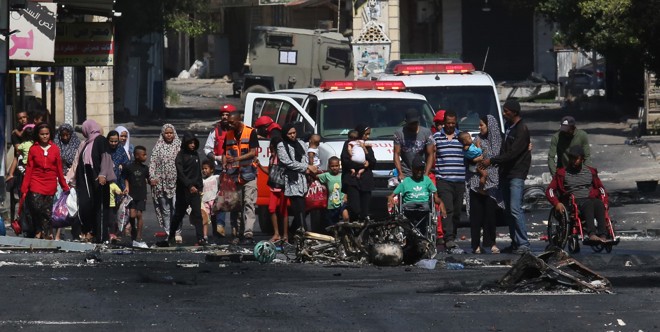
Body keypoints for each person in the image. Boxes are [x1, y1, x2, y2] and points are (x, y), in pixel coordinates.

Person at [482, 100, 532, 254]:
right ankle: (515, 242)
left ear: (514, 112)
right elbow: (505, 150)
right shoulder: (510, 128)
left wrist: (492, 161)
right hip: (506, 173)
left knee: (516, 209)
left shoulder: (522, 129)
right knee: (508, 211)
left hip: (516, 174)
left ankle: (523, 243)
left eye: (506, 111)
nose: (504, 114)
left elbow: (512, 154)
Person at [546, 145, 609, 242]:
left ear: (582, 159)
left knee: (599, 204)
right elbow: (550, 190)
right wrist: (556, 203)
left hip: (589, 198)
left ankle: (603, 235)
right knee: (588, 204)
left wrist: (604, 201)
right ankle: (591, 234)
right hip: (573, 202)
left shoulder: (590, 172)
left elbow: (600, 188)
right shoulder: (562, 173)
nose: (574, 161)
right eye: (572, 158)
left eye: (576, 159)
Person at [20, 123, 70, 239]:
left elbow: (59, 169)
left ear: (50, 134)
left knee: (47, 211)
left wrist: (64, 186)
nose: (44, 136)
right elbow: (29, 169)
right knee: (36, 207)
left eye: (46, 134)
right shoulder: (33, 149)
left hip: (50, 184)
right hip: (36, 182)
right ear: (38, 135)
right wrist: (24, 187)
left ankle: (47, 234)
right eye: (42, 134)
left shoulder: (55, 149)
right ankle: (38, 229)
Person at [73, 119, 116, 243]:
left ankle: (102, 237)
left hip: (99, 180)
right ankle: (94, 233)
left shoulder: (100, 140)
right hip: (89, 180)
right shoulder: (87, 143)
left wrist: (103, 174)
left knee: (101, 209)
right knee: (89, 207)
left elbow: (106, 157)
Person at [467, 115, 505, 254]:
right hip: (477, 182)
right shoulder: (477, 139)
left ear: (490, 126)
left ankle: (491, 243)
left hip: (493, 183)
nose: (479, 127)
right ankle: (476, 245)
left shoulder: (499, 141)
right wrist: (481, 172)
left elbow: (502, 158)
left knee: (490, 215)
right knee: (476, 216)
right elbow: (471, 158)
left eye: (482, 125)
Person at [223, 112, 259, 244]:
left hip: (249, 174)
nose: (230, 124)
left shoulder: (250, 132)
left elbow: (253, 152)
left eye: (233, 122)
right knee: (236, 206)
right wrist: (224, 164)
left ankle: (248, 234)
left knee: (249, 203)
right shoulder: (229, 135)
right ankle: (237, 233)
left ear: (239, 121)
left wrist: (237, 159)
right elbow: (224, 152)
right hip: (234, 176)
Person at [433, 110, 466, 251]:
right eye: (448, 123)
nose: (450, 126)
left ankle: (453, 234)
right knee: (448, 209)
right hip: (443, 179)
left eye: (453, 123)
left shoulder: (462, 137)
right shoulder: (436, 137)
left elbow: (470, 152)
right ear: (444, 123)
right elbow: (432, 155)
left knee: (457, 211)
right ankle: (449, 238)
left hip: (459, 180)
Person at [387, 157, 446, 235]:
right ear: (412, 169)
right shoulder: (407, 181)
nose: (419, 172)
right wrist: (390, 199)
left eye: (421, 169)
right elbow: (392, 195)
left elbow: (435, 197)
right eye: (417, 169)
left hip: (423, 207)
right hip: (408, 207)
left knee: (425, 211)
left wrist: (441, 203)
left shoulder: (427, 180)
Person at [278, 123, 317, 232]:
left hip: (304, 181)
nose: (292, 135)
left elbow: (306, 156)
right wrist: (306, 167)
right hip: (292, 181)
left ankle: (294, 231)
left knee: (304, 209)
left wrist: (311, 167)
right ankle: (303, 232)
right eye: (289, 133)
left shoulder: (300, 143)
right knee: (299, 208)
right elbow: (288, 162)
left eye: (294, 133)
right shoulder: (282, 145)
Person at [149, 124, 182, 243]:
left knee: (176, 207)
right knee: (165, 209)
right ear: (163, 134)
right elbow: (152, 163)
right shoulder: (158, 147)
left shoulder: (179, 146)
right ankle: (169, 233)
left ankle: (177, 232)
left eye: (171, 133)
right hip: (160, 183)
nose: (169, 135)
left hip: (176, 182)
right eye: (166, 133)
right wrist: (152, 177)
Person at [170, 132, 205, 246]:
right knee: (178, 215)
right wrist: (189, 186)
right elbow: (181, 174)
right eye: (190, 143)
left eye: (194, 143)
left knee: (197, 214)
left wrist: (199, 187)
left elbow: (198, 173)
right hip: (183, 191)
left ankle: (200, 238)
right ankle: (171, 237)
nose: (192, 145)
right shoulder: (180, 156)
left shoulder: (195, 155)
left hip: (195, 190)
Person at [203, 104, 232, 237]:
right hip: (219, 168)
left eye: (227, 115)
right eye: (223, 115)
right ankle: (218, 227)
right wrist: (216, 158)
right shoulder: (216, 131)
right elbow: (207, 149)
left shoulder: (237, 130)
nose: (225, 117)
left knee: (232, 199)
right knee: (217, 197)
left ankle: (235, 229)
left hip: (234, 168)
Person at [256, 136, 289, 243]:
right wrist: (260, 166)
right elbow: (271, 173)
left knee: (283, 211)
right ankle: (276, 233)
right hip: (274, 187)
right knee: (271, 209)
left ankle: (285, 235)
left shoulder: (283, 158)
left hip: (283, 187)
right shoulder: (271, 158)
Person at [341, 124, 376, 221]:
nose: (367, 137)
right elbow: (346, 161)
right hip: (352, 181)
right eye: (365, 134)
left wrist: (365, 150)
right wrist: (363, 165)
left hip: (365, 182)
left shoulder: (366, 146)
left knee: (365, 211)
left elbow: (373, 162)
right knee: (354, 208)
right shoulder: (349, 144)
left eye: (368, 134)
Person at [393, 108, 435, 180]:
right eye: (411, 123)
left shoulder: (426, 132)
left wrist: (427, 173)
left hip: (421, 170)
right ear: (406, 121)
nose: (413, 125)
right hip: (406, 171)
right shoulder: (399, 133)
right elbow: (396, 153)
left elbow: (430, 154)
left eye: (415, 123)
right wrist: (400, 173)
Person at [122, 146, 151, 248]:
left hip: (141, 194)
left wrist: (153, 182)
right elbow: (125, 178)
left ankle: (138, 235)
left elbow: (148, 179)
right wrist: (127, 187)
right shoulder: (129, 167)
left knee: (139, 215)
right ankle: (133, 229)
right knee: (132, 215)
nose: (146, 156)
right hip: (132, 195)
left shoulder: (145, 168)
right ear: (137, 156)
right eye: (144, 155)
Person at [317, 156, 349, 226]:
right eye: (332, 166)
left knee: (346, 217)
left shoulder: (342, 176)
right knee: (333, 224)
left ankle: (345, 232)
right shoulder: (326, 175)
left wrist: (346, 196)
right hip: (331, 204)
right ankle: (335, 235)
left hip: (342, 202)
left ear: (339, 166)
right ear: (329, 166)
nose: (334, 168)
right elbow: (316, 176)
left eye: (336, 166)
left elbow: (347, 187)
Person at [201, 159, 220, 241]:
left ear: (212, 169)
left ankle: (215, 232)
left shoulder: (216, 178)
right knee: (205, 218)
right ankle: (205, 235)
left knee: (214, 218)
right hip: (205, 201)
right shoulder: (202, 180)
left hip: (213, 201)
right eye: (203, 169)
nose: (204, 170)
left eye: (206, 168)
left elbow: (223, 179)